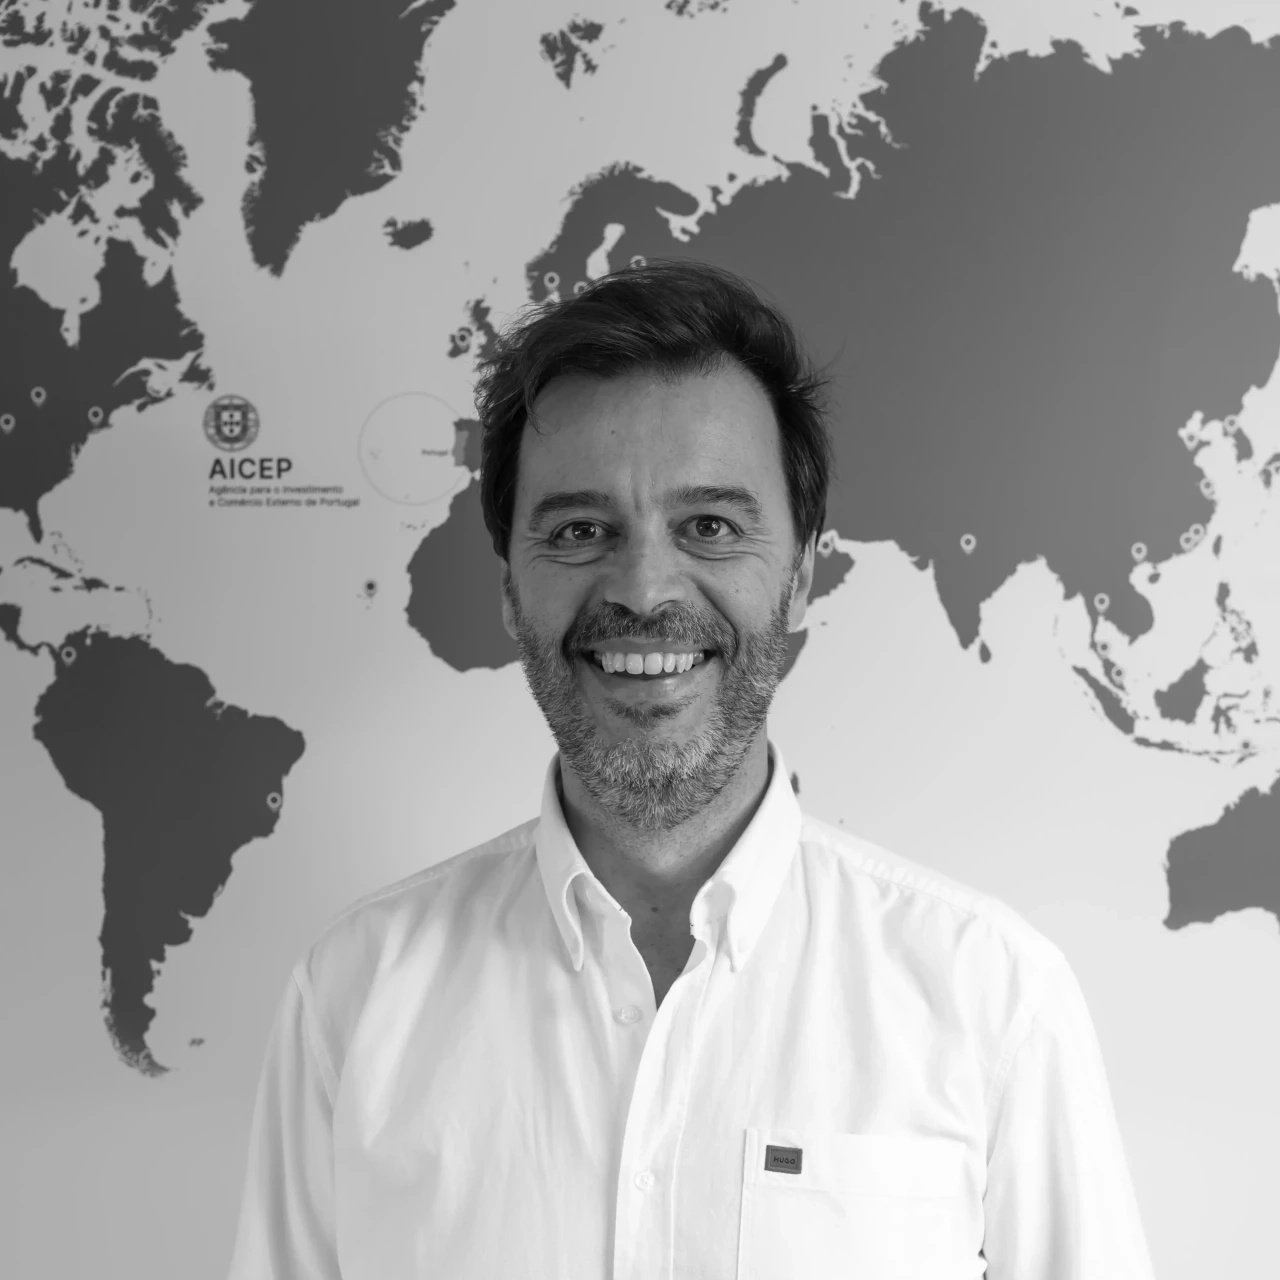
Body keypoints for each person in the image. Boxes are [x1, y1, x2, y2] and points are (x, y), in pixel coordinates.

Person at [227, 260, 1156, 1279]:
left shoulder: (992, 995)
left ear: (800, 574)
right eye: (580, 531)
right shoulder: (353, 997)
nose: (641, 589)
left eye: (708, 526)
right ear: (508, 587)